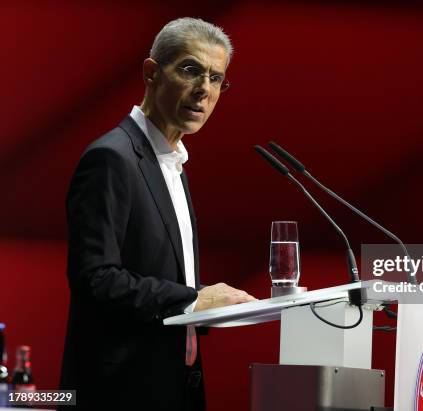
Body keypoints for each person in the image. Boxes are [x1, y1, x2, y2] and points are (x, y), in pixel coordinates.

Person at [59, 17, 255, 411]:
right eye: (191, 70)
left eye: (217, 79)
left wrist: (206, 307)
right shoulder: (112, 158)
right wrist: (194, 299)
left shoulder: (172, 164)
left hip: (176, 383)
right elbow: (95, 280)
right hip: (121, 390)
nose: (204, 90)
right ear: (151, 72)